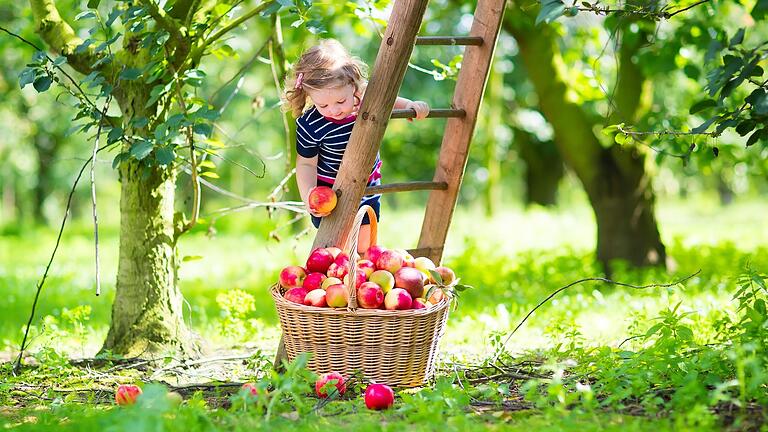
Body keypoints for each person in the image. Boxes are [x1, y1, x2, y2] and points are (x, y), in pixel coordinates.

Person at [283, 39, 429, 253]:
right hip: (331, 191)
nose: (333, 110)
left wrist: (409, 106)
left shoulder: (365, 99)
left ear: (353, 85)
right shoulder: (309, 125)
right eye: (323, 105)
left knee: (364, 245)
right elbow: (305, 164)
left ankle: (359, 278)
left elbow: (388, 99)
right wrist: (309, 197)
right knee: (335, 246)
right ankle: (338, 281)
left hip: (367, 184)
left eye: (341, 101)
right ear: (309, 95)